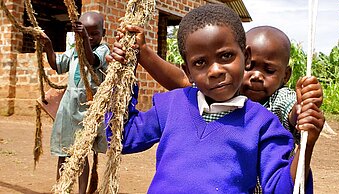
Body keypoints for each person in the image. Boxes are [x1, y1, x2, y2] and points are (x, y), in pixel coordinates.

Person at [106, 4, 324, 193]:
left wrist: (308, 144)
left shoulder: (263, 124)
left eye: (226, 56)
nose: (216, 70)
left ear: (245, 57)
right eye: (200, 63)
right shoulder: (172, 105)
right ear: (188, 71)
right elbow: (122, 138)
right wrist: (123, 75)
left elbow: (282, 189)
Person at [41, 11, 109, 194]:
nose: (91, 37)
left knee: (80, 154)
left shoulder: (103, 51)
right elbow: (57, 65)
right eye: (86, 33)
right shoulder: (73, 51)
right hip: (68, 109)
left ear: (104, 32)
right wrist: (48, 47)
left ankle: (81, 192)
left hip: (86, 110)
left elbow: (91, 61)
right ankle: (61, 189)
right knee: (63, 152)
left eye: (95, 33)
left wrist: (85, 39)